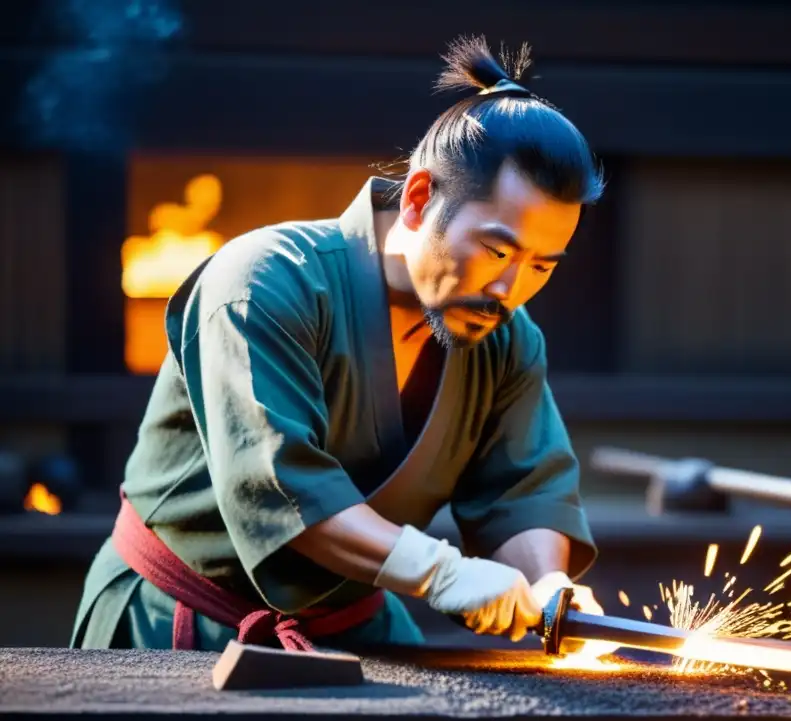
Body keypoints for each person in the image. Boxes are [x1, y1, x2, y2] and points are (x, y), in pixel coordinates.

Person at [72, 35, 616, 659]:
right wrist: (440, 571)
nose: (509, 288)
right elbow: (282, 486)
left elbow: (524, 490)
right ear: (418, 200)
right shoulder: (262, 284)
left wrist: (548, 589)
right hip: (181, 621)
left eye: (541, 266)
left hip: (353, 623)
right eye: (496, 251)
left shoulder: (506, 339)